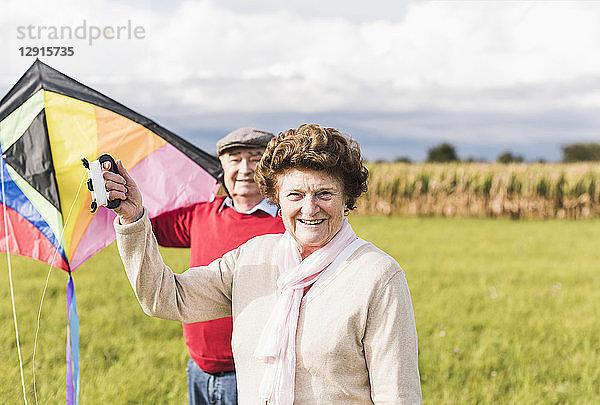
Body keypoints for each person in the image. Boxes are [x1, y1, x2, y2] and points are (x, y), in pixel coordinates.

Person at [107, 124, 422, 404]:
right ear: (277, 198)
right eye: (295, 194)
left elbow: (397, 395)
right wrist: (133, 217)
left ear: (346, 198)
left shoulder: (378, 276)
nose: (309, 208)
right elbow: (164, 297)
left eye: (324, 193)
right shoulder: (253, 256)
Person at [150, 127, 285, 405]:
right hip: (198, 368)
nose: (244, 168)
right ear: (222, 166)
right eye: (235, 159)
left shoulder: (287, 225)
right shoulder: (201, 214)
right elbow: (146, 227)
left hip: (256, 373)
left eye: (255, 158)